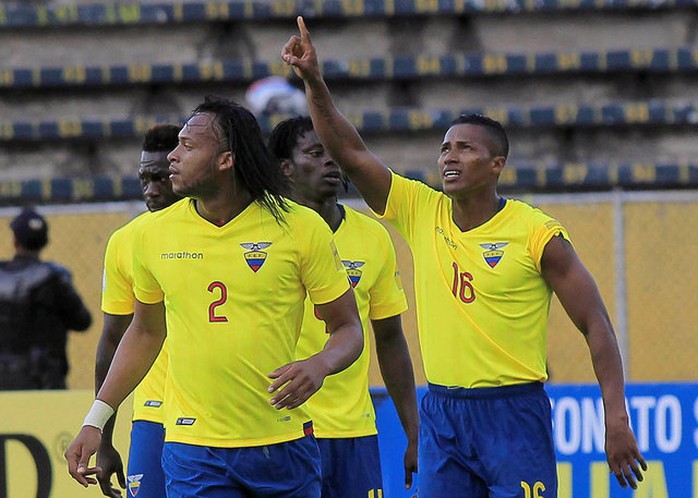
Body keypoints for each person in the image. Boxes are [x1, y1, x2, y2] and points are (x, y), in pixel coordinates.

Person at [282, 17, 648, 496]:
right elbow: (350, 153)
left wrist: (615, 417)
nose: (448, 158)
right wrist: (314, 82)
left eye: (464, 148)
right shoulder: (420, 209)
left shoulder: (535, 233)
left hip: (513, 413)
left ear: (496, 164)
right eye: (444, 148)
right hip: (443, 413)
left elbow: (596, 323)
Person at [65, 95, 364, 498]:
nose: (173, 156)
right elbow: (145, 333)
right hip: (194, 449)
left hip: (283, 442)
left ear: (226, 160)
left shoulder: (300, 228)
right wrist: (95, 420)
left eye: (188, 146)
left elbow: (347, 328)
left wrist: (321, 364)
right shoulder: (151, 235)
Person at [268, 116, 419, 496]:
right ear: (286, 167)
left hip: (354, 432)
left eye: (334, 153)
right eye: (315, 153)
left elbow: (389, 339)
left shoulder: (373, 237)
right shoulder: (261, 235)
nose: (330, 162)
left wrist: (414, 433)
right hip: (280, 428)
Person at [95, 124, 183, 498]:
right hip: (153, 414)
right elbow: (113, 339)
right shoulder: (125, 242)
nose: (151, 190)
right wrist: (103, 436)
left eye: (161, 178)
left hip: (220, 414)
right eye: (145, 178)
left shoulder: (226, 232)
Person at [0, 207, 92, 390]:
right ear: (45, 241)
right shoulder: (54, 278)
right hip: (45, 380)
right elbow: (82, 321)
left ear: (15, 241)